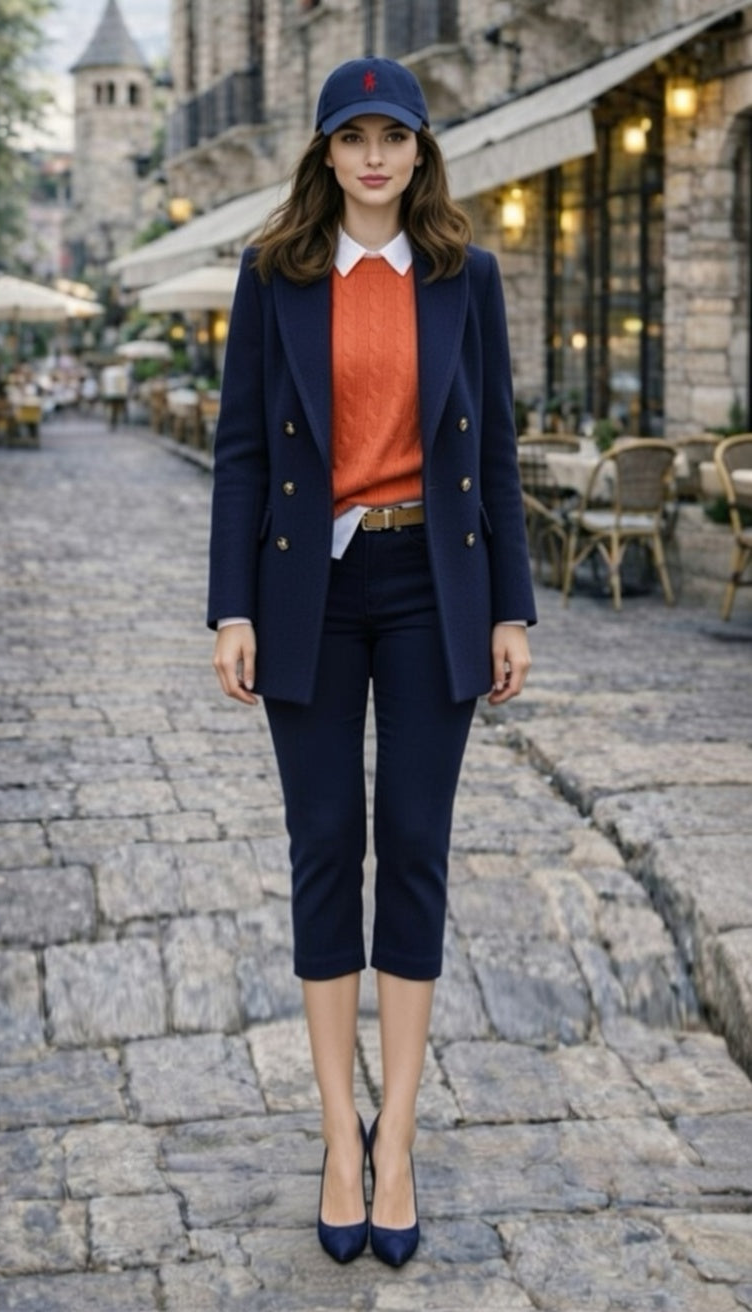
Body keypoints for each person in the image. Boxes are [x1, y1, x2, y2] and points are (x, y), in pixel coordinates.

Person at [208, 56, 536, 1267]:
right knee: (322, 846)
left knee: (412, 843)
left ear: (418, 149)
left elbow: (494, 450)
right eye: (352, 138)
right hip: (308, 587)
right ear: (326, 154)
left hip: (432, 586)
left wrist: (511, 610)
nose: (373, 158)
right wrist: (229, 608)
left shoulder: (464, 274)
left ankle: (392, 1137)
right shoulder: (273, 274)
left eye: (392, 136)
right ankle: (333, 1140)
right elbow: (242, 450)